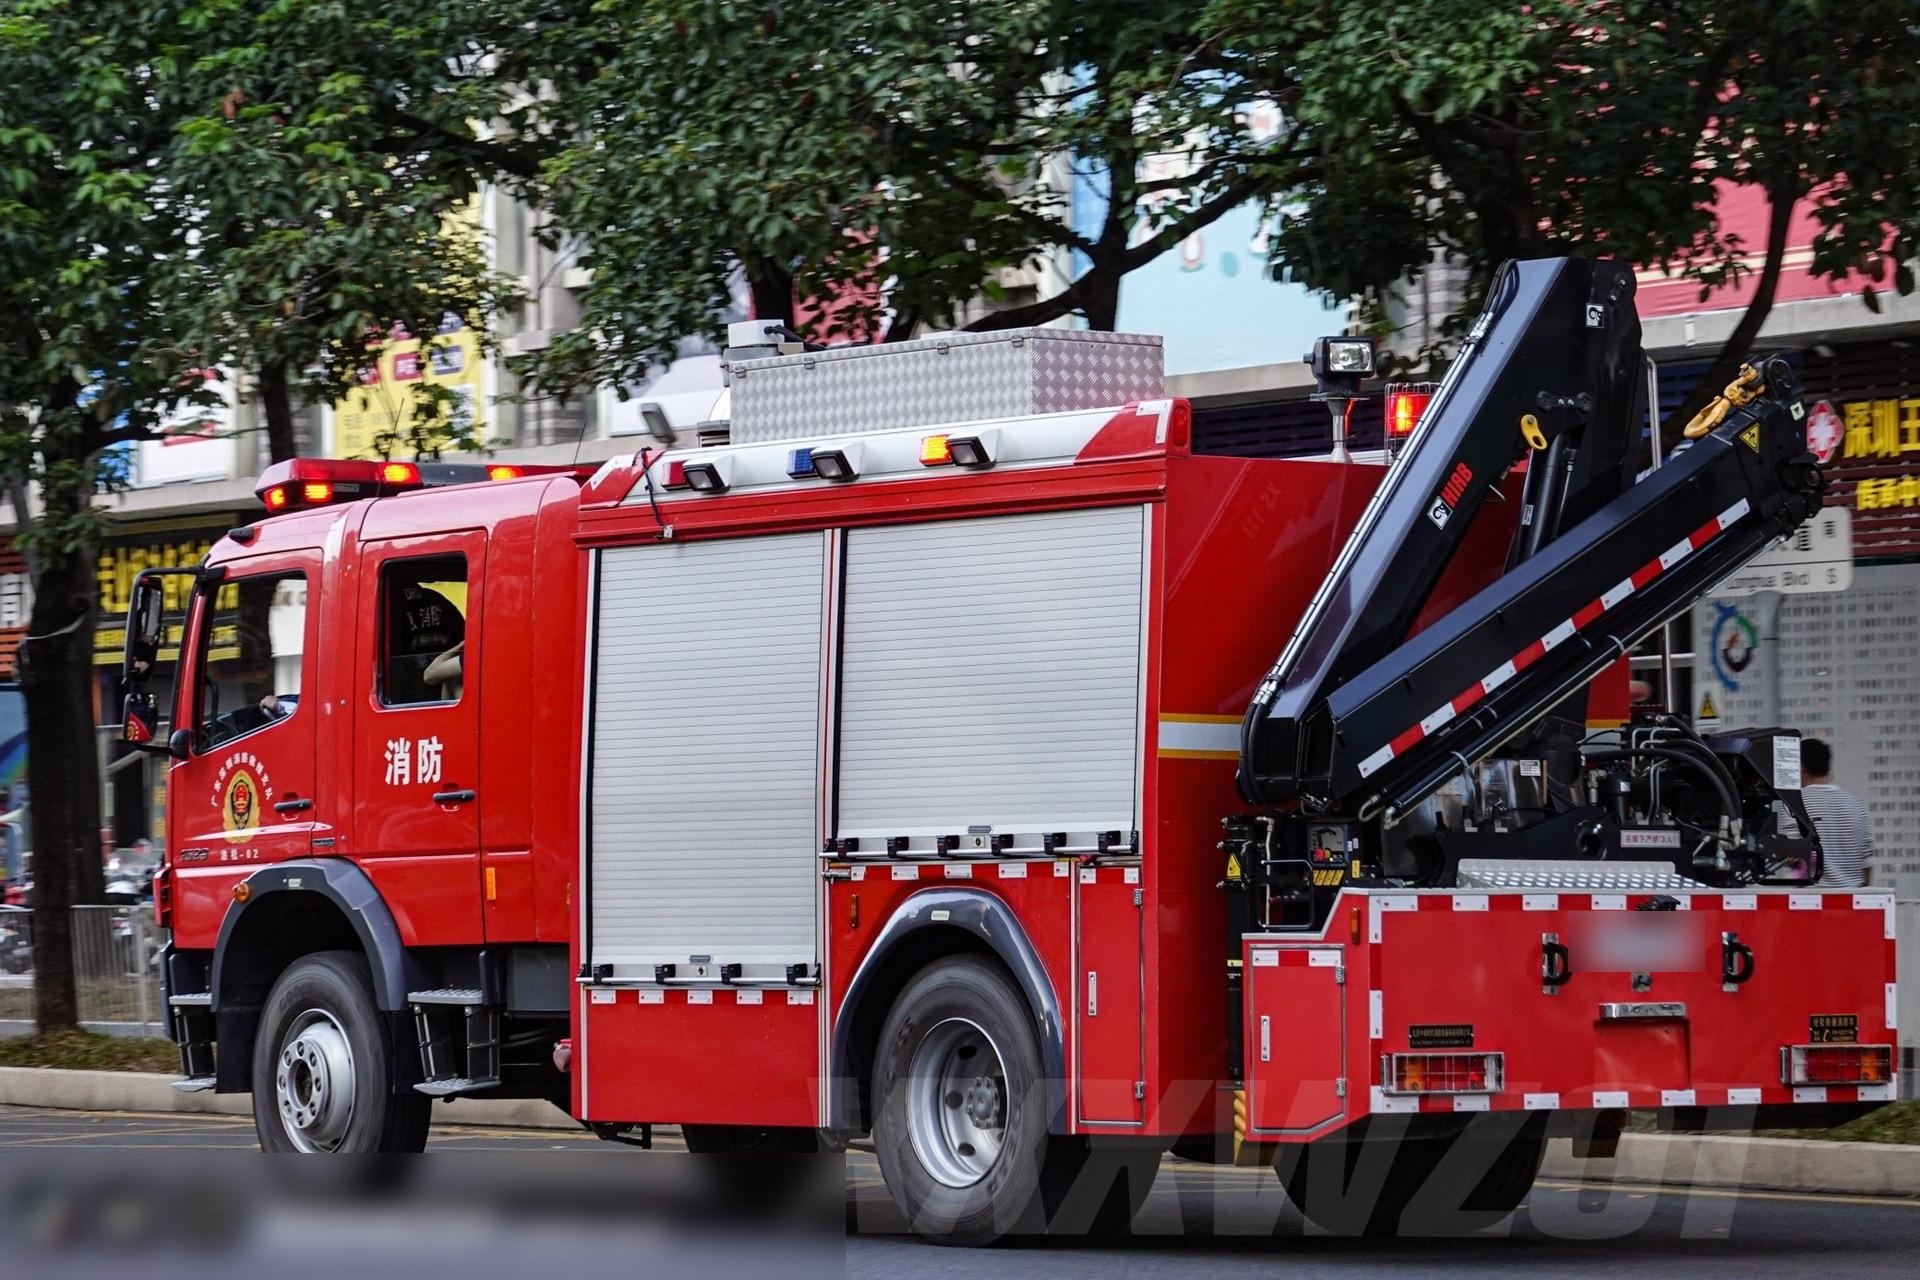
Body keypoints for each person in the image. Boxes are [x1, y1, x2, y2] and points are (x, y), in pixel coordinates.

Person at [1800, 738, 1874, 887]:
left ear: (1801, 768)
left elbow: (1794, 862)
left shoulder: (1796, 806)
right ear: (1828, 769)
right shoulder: (1856, 805)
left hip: (1812, 901)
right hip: (1851, 900)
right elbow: (1866, 865)